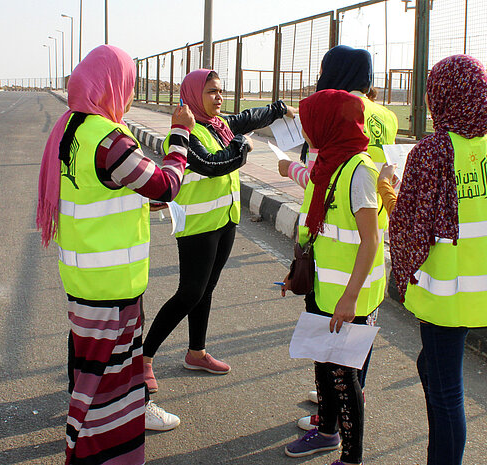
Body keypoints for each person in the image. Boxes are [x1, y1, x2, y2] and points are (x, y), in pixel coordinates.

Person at [36, 45, 195, 465]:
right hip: (112, 284)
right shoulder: (109, 138)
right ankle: (92, 454)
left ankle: (88, 445)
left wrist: (142, 201)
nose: (128, 93)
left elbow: (98, 190)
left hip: (82, 277)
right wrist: (180, 136)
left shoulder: (71, 127)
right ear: (112, 84)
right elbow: (165, 184)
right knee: (105, 389)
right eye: (128, 83)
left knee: (88, 373)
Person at [389, 55, 487, 465]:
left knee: (447, 392)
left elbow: (409, 224)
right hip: (481, 287)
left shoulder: (432, 151)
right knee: (433, 368)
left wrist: (387, 193)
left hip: (444, 291)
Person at [142, 69, 294, 392]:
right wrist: (243, 147)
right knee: (189, 293)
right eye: (211, 92)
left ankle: (196, 352)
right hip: (197, 227)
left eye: (221, 91)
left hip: (224, 222)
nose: (219, 98)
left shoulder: (220, 127)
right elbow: (213, 165)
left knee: (206, 289)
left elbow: (249, 117)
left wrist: (280, 109)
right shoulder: (182, 135)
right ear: (195, 96)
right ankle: (144, 357)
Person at [276, 44, 399, 430]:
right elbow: (389, 178)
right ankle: (351, 397)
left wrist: (288, 169)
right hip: (372, 239)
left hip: (334, 245)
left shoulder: (330, 113)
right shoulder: (387, 118)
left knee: (329, 337)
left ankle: (335, 413)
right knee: (361, 335)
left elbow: (319, 181)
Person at [281, 89, 385, 465]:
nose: (305, 131)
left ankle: (351, 457)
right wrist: (297, 275)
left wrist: (350, 297)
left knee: (344, 379)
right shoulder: (328, 163)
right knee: (322, 365)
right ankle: (326, 432)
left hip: (348, 297)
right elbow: (317, 228)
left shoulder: (358, 172)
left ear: (329, 124)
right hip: (325, 289)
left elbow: (370, 239)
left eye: (310, 123)